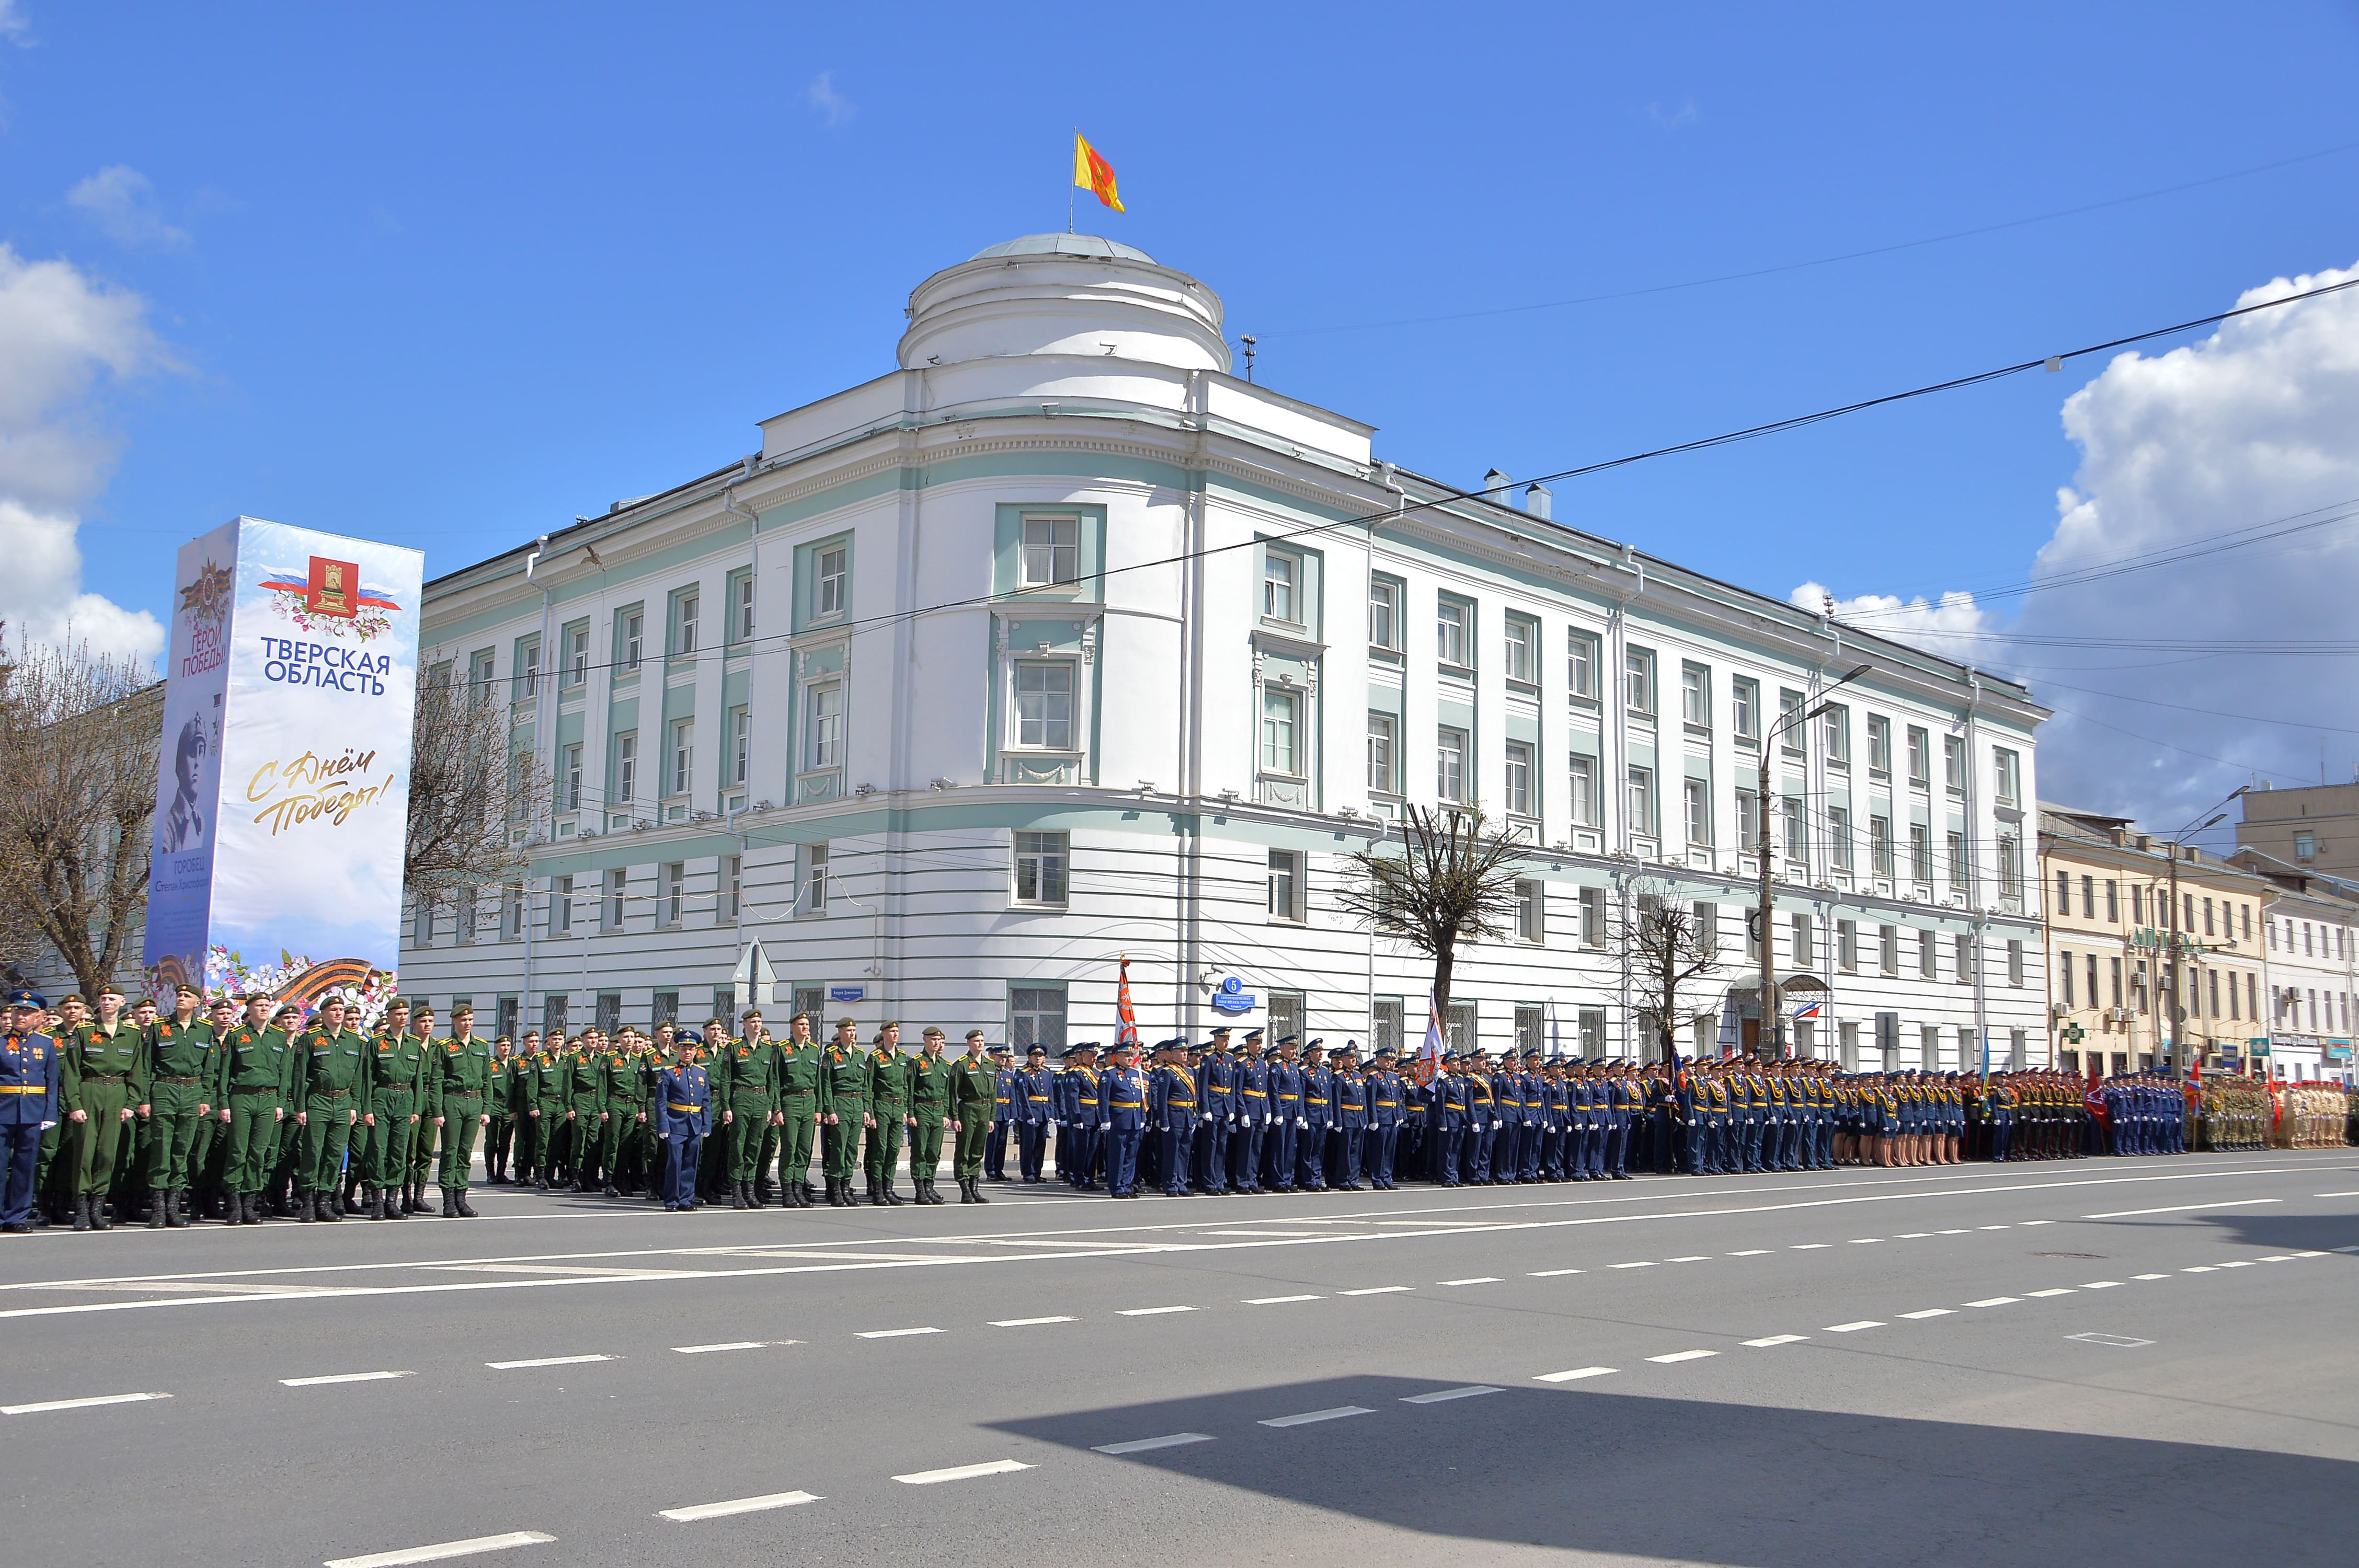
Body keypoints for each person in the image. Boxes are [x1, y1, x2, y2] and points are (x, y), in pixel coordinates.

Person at [1, 990, 61, 1233]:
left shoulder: (46, 1044)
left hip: (33, 1112)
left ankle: (17, 1216)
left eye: (27, 1013)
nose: (21, 1016)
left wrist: (50, 1113)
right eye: (18, 1011)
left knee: (25, 1167)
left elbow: (52, 1082)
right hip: (3, 1110)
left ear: (39, 1017)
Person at [428, 1005, 492, 1217]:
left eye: (471, 1019)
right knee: (450, 1151)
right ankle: (448, 1200)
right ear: (454, 1022)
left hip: (474, 1102)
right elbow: (436, 1081)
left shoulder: (481, 1047)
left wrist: (486, 1108)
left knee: (465, 1153)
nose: (467, 1023)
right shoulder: (445, 1047)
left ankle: (461, 1198)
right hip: (452, 1101)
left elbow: (487, 1081)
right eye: (463, 1020)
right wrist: (437, 1110)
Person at [771, 1012, 823, 1208]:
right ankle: (787, 1191)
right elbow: (775, 1080)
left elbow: (818, 1081)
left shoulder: (813, 1050)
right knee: (790, 1148)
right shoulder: (782, 1049)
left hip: (809, 1101)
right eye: (801, 1024)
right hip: (790, 1101)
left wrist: (819, 1109)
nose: (805, 1028)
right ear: (792, 1027)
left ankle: (798, 1188)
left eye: (807, 1024)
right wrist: (777, 1108)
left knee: (804, 1149)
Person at [816, 1017, 869, 1207]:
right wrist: (829, 1110)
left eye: (854, 1030)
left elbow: (865, 1085)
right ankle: (836, 1189)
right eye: (848, 1030)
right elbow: (826, 1085)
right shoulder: (831, 1054)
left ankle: (847, 1188)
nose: (852, 1034)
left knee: (852, 1150)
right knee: (838, 1148)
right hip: (840, 1103)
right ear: (840, 1032)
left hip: (856, 1104)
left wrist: (866, 1109)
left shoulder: (860, 1054)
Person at [654, 1046, 710, 1213]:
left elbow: (706, 1101)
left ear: (695, 1052)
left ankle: (686, 1199)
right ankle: (672, 1200)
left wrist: (707, 1125)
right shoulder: (668, 1071)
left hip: (694, 1123)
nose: (688, 1053)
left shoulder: (701, 1072)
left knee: (691, 1163)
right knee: (675, 1162)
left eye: (691, 1050)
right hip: (675, 1123)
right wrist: (663, 1125)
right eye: (684, 1049)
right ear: (678, 1051)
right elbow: (661, 1102)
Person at [864, 1022, 912, 1206]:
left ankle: (889, 1188)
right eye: (891, 1031)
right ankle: (877, 1190)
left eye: (897, 1031)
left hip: (898, 1108)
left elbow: (905, 1086)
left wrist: (906, 1109)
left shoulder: (902, 1057)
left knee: (894, 1150)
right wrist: (870, 1111)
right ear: (883, 1034)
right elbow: (868, 1086)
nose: (895, 1034)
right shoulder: (875, 1057)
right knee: (880, 1150)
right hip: (881, 1106)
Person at [906, 1026, 954, 1205]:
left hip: (938, 1111)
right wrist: (911, 1113)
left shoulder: (944, 1065)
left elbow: (947, 1093)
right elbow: (910, 1090)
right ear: (925, 1040)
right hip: (922, 1110)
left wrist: (946, 1113)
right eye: (933, 1039)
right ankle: (920, 1190)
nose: (937, 1043)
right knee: (920, 1151)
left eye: (939, 1040)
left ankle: (929, 1186)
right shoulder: (917, 1062)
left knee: (934, 1152)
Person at [948, 1030, 997, 1203]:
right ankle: (965, 1190)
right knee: (964, 1149)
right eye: (976, 1041)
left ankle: (974, 1188)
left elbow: (993, 1093)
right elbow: (953, 1093)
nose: (980, 1044)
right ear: (969, 1043)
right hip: (968, 1109)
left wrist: (992, 1117)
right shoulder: (961, 1065)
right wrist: (955, 1117)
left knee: (978, 1150)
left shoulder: (990, 1065)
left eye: (982, 1041)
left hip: (984, 1110)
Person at [1013, 1043, 1052, 1184]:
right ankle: (1028, 1172)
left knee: (1041, 1144)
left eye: (1041, 1056)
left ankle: (1037, 1171)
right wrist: (1027, 1115)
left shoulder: (1047, 1073)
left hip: (1043, 1112)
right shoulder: (1023, 1073)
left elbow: (1050, 1094)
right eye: (1035, 1056)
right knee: (1028, 1144)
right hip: (1031, 1112)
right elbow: (1022, 1096)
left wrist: (1051, 1113)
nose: (1038, 1058)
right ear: (1029, 1057)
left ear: (1045, 1058)